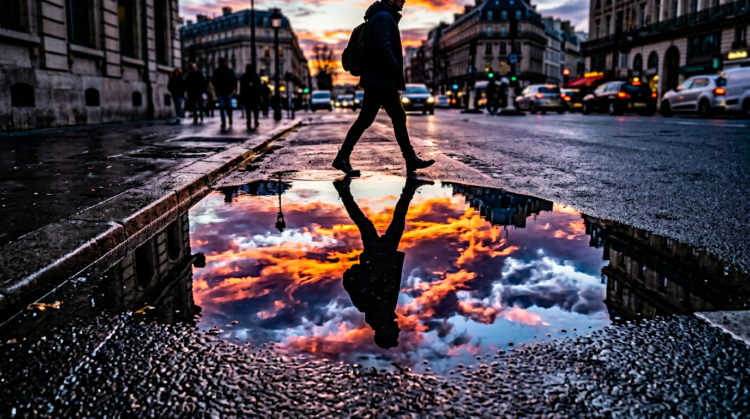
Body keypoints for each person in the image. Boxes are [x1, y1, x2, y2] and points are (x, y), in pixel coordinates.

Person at [333, 0, 435, 177]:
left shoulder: (382, 16)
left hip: (378, 78)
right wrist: (395, 67)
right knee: (383, 118)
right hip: (381, 78)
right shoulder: (384, 17)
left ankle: (408, 157)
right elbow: (382, 46)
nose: (404, 0)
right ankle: (343, 157)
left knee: (384, 117)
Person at [335, 176, 431, 349]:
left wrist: (364, 269)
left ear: (384, 333)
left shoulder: (375, 311)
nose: (398, 331)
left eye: (394, 335)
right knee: (374, 224)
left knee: (386, 224)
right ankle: (344, 191)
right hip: (383, 259)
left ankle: (408, 189)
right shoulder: (380, 313)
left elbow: (349, 281)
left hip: (379, 257)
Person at [211, 57, 237, 129]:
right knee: (225, 107)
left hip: (224, 91)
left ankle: (226, 120)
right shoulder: (227, 71)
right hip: (224, 91)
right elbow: (234, 81)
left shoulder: (220, 71)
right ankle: (225, 121)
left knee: (225, 107)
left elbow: (233, 81)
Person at [239, 64, 262, 129]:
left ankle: (249, 122)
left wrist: (241, 97)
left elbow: (242, 89)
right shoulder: (256, 76)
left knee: (248, 111)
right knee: (255, 110)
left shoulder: (244, 77)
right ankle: (255, 121)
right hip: (254, 96)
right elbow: (260, 86)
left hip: (247, 97)